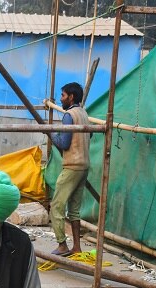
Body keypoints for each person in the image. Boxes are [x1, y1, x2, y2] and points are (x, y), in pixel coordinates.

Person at [49, 82, 90, 256]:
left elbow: (64, 143)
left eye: (63, 95)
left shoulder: (69, 115)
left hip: (72, 165)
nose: (60, 99)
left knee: (56, 205)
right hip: (84, 165)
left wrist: (51, 133)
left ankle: (62, 244)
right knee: (74, 209)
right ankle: (77, 247)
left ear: (71, 97)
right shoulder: (84, 114)